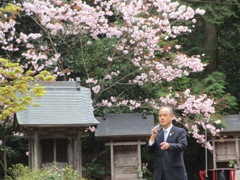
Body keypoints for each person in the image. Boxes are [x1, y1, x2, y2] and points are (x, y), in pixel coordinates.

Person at [146, 106, 188, 180]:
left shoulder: (180, 131)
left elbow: (183, 145)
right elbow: (149, 150)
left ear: (172, 117)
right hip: (160, 173)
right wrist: (152, 137)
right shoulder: (158, 133)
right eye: (160, 116)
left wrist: (169, 146)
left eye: (165, 115)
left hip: (175, 173)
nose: (162, 118)